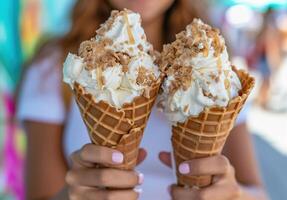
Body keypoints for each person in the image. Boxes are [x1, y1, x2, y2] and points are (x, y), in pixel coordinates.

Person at [17, 0, 269, 199]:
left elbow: (258, 193)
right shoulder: (54, 67)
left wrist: (235, 196)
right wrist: (72, 196)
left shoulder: (215, 69)